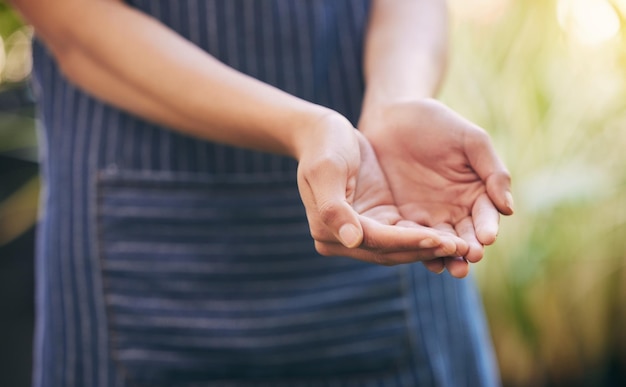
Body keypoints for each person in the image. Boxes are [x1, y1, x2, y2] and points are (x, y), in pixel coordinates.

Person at [9, 0, 513, 386]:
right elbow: (75, 26)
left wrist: (396, 101)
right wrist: (302, 127)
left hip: (388, 196)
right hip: (139, 247)